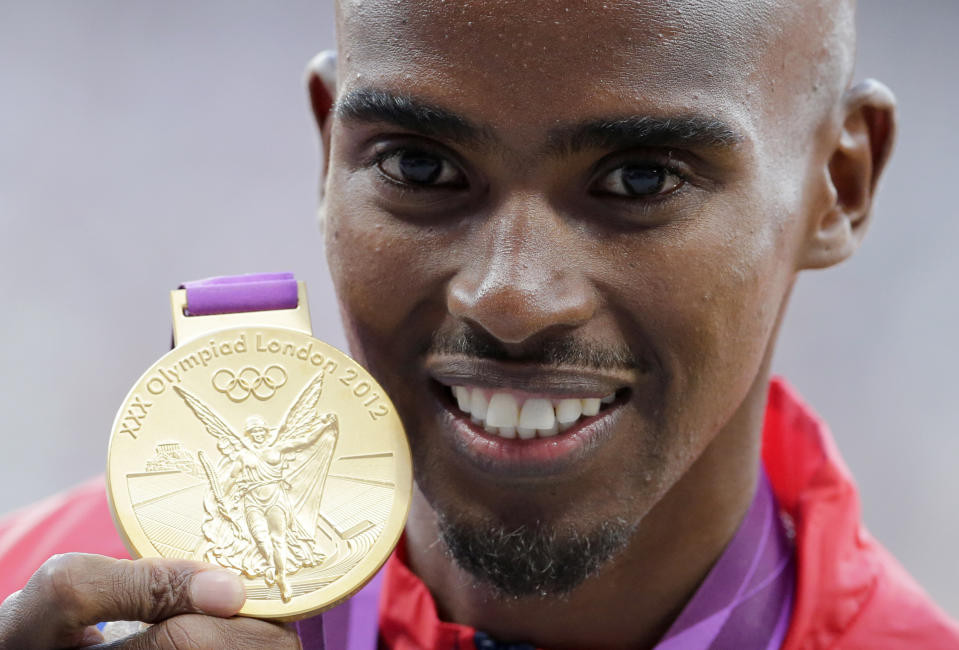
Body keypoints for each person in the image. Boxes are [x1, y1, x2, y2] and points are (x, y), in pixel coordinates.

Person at [0, 1, 957, 648]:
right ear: (330, 147)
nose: (507, 296)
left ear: (840, 184)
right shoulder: (38, 595)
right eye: (419, 168)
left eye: (640, 179)